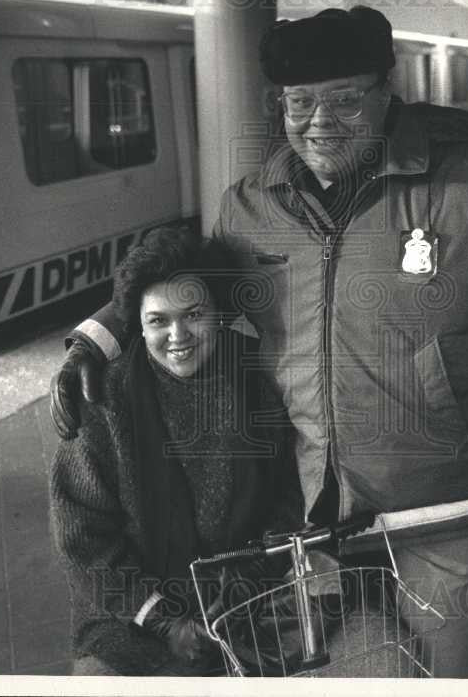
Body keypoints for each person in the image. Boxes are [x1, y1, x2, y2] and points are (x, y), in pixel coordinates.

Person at [51, 6, 468, 677]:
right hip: (311, 510)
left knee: (428, 673)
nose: (318, 120)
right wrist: (98, 339)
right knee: (323, 665)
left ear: (388, 94)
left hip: (445, 513)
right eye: (300, 102)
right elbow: (178, 279)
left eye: (345, 99)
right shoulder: (252, 206)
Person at [49, 225, 301, 676]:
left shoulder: (255, 389)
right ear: (137, 327)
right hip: (132, 620)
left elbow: (285, 499)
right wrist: (165, 621)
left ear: (218, 313)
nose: (178, 334)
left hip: (244, 607)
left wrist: (244, 590)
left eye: (193, 315)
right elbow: (81, 538)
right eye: (158, 320)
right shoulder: (105, 402)